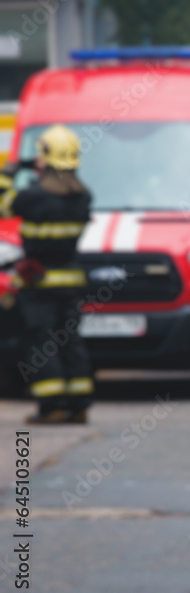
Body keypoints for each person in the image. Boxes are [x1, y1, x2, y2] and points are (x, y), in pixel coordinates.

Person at [12, 125, 94, 424]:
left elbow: (5, 203)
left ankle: (52, 406)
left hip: (39, 284)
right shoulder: (83, 197)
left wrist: (12, 169)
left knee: (41, 343)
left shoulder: (34, 196)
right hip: (70, 281)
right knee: (70, 342)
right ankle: (79, 403)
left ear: (46, 156)